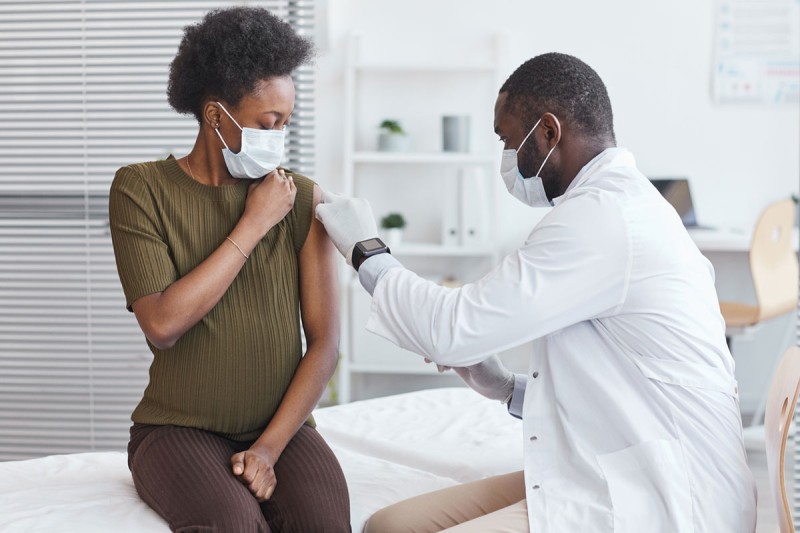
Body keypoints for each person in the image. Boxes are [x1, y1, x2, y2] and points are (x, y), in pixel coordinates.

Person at [315, 53, 757, 532]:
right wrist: (505, 388)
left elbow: (451, 329)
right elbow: (613, 388)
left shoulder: (602, 219)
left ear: (548, 132)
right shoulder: (614, 206)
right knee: (388, 527)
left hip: (667, 496)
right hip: (625, 462)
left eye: (508, 140)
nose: (506, 158)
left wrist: (366, 250)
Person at [109, 7, 350, 532]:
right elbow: (163, 325)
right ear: (217, 115)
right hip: (176, 430)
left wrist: (267, 448)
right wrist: (253, 225)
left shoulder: (301, 198)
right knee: (237, 527)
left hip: (280, 429)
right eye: (269, 124)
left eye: (286, 123)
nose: (280, 138)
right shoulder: (140, 189)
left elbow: (326, 343)